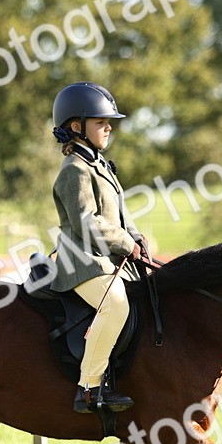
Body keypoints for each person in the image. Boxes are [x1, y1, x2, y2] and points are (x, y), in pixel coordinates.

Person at [49, 82, 149, 414]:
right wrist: (125, 243)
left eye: (110, 122)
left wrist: (137, 239)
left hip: (108, 260)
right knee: (116, 304)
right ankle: (89, 388)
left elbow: (119, 214)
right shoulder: (74, 170)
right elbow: (86, 221)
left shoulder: (101, 166)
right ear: (76, 127)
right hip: (82, 263)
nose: (109, 127)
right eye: (100, 122)